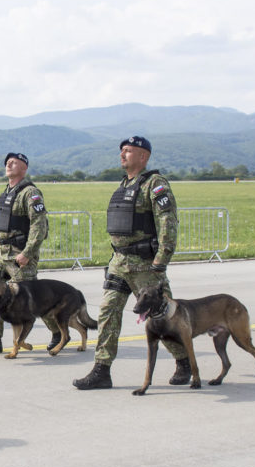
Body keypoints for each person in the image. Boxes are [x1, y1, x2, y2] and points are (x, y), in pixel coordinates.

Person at [73, 136, 188, 389]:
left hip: (145, 265)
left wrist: (162, 259)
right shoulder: (124, 185)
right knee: (107, 312)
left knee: (163, 318)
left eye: (128, 151)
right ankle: (102, 370)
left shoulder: (154, 184)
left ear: (143, 156)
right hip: (120, 262)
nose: (122, 155)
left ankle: (184, 361)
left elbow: (168, 222)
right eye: (122, 151)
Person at [0, 152, 58, 354]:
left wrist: (27, 252)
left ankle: (57, 331)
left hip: (20, 254)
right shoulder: (7, 191)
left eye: (14, 162)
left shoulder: (31, 192)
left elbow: (39, 225)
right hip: (3, 254)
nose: (9, 164)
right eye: (7, 162)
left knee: (33, 299)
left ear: (24, 168)